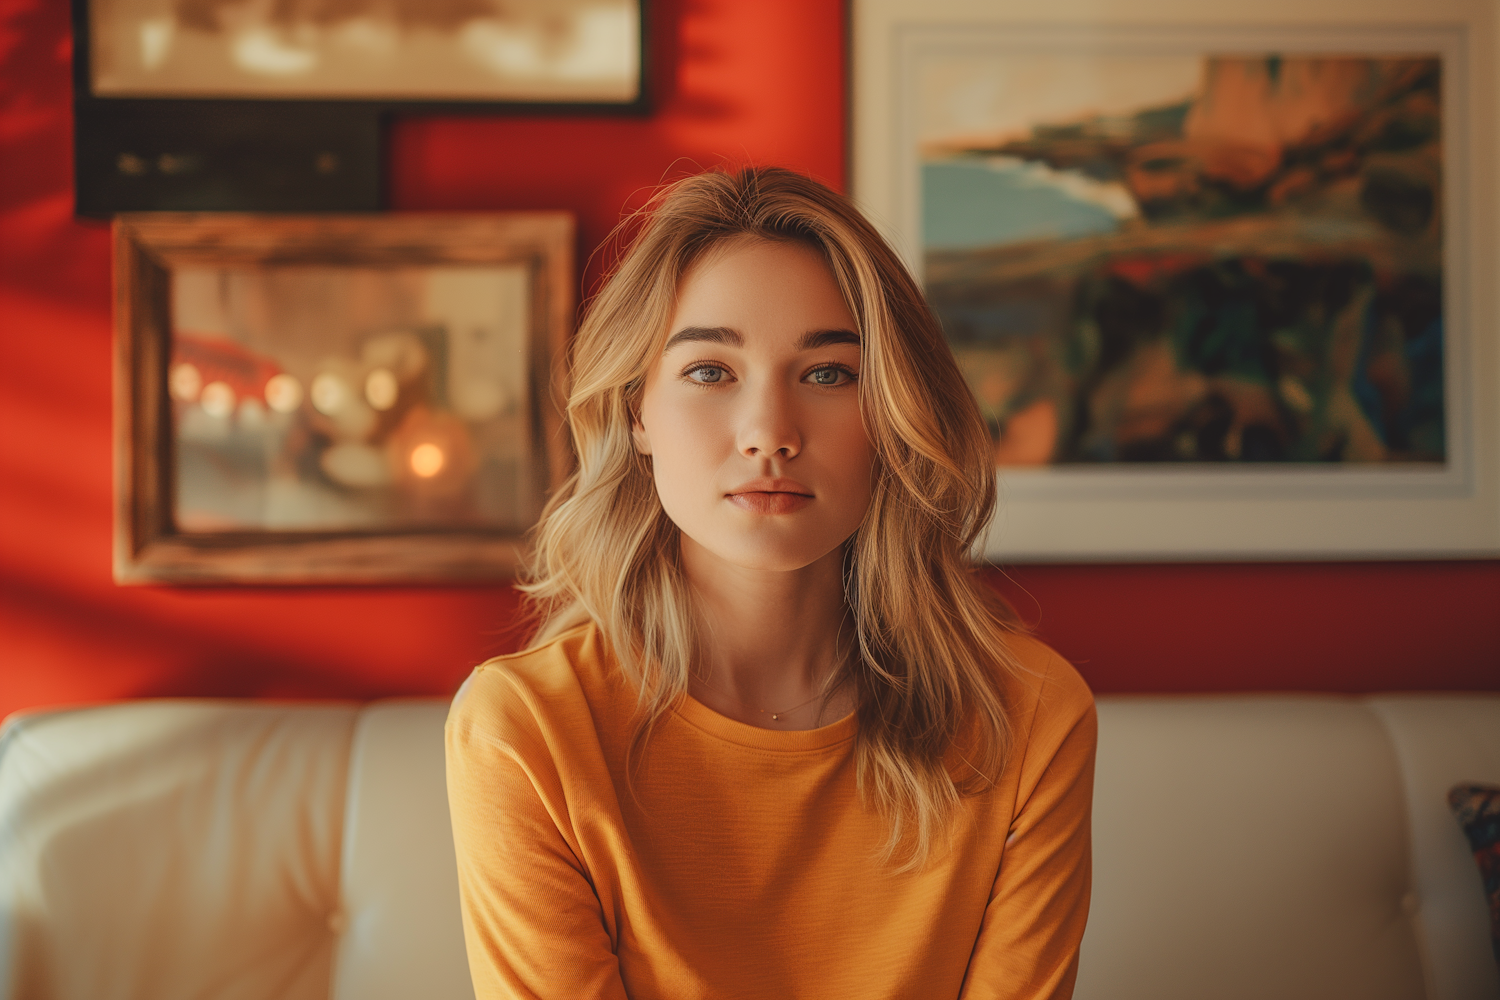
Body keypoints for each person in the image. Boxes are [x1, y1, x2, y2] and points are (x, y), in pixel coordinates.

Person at [445, 166, 1097, 1000]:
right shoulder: (527, 733)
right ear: (638, 412)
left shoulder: (1032, 716)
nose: (769, 435)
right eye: (711, 371)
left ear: (893, 413)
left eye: (828, 374)